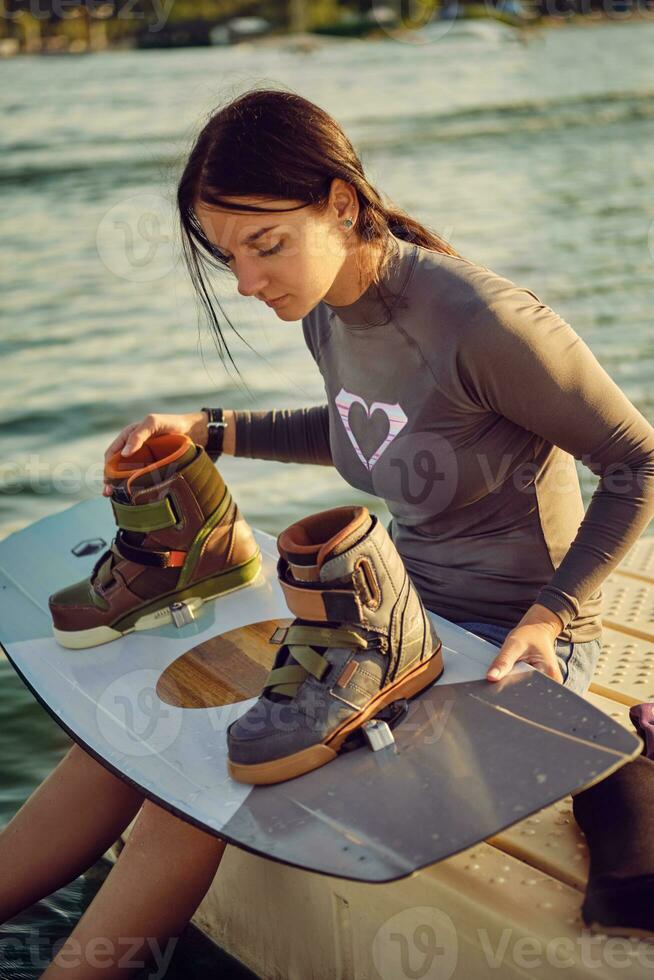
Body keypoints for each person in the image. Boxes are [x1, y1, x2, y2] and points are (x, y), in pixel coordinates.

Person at [3, 86, 654, 976]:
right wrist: (214, 429)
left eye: (265, 244)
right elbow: (362, 424)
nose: (246, 281)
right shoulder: (328, 312)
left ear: (340, 203)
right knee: (137, 747)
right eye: (229, 255)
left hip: (510, 655)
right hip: (387, 622)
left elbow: (637, 462)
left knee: (193, 791)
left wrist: (551, 612)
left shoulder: (482, 320)